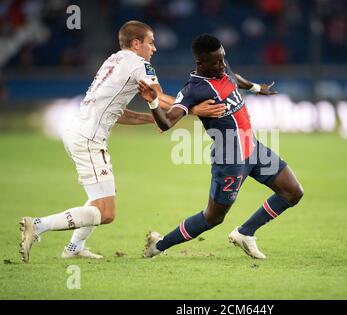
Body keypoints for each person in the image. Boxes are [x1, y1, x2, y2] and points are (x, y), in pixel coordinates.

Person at [19, 21, 226, 263]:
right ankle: (38, 225)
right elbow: (158, 96)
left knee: (102, 195)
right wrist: (193, 109)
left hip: (77, 130)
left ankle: (74, 247)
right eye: (151, 42)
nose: (154, 48)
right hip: (89, 138)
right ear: (136, 44)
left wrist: (154, 120)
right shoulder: (140, 65)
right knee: (106, 213)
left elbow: (119, 113)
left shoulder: (113, 61)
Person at [139, 34, 304, 260]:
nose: (222, 65)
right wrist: (153, 102)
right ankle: (158, 245)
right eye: (216, 62)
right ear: (201, 63)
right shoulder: (193, 90)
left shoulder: (222, 67)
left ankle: (245, 233)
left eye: (223, 59)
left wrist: (257, 88)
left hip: (252, 148)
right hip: (230, 160)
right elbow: (166, 122)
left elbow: (234, 79)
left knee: (293, 192)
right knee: (213, 217)